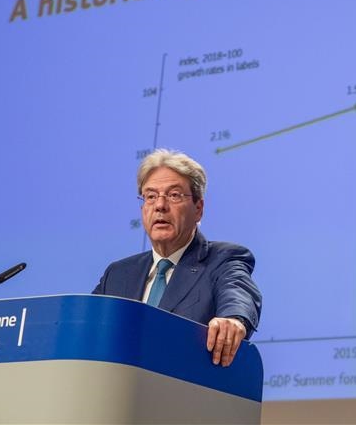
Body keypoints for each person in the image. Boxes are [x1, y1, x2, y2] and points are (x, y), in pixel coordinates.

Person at [93, 149, 261, 367]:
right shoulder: (117, 274)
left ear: (198, 209)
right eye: (151, 196)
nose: (160, 206)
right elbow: (85, 327)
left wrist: (233, 319)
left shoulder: (223, 259)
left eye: (174, 195)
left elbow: (237, 292)